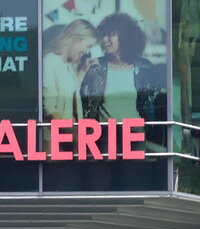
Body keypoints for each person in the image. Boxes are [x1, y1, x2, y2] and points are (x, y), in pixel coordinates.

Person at [80, 12, 165, 145]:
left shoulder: (145, 68)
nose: (105, 40)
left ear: (125, 37)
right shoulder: (97, 67)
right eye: (103, 35)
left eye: (111, 35)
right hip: (105, 138)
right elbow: (83, 104)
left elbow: (155, 105)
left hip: (136, 136)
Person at [42, 19, 98, 122]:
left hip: (69, 134)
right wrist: (75, 135)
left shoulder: (67, 65)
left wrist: (83, 70)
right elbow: (49, 108)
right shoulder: (50, 62)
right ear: (74, 39)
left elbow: (73, 89)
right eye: (88, 46)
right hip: (55, 136)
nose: (87, 52)